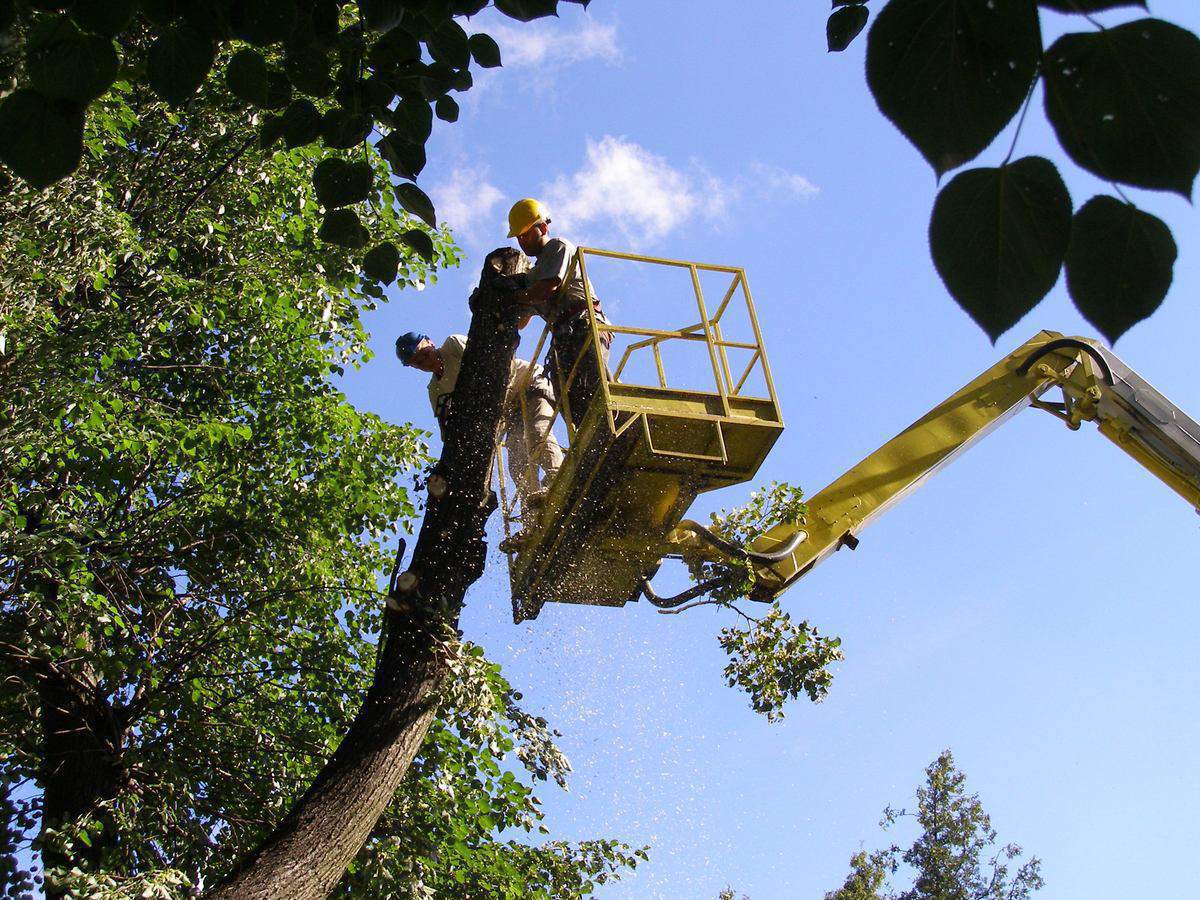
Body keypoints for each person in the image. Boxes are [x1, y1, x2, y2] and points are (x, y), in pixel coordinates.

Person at [395, 331, 564, 508]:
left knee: (537, 433)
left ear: (430, 342)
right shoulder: (436, 389)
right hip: (509, 412)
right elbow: (448, 431)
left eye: (425, 354)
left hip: (529, 385)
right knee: (517, 463)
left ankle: (558, 480)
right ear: (413, 367)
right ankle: (534, 513)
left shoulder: (453, 346)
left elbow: (494, 364)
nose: (425, 362)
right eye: (418, 362)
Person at [505, 198, 613, 431]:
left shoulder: (558, 247)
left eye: (526, 234)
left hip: (585, 327)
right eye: (519, 237)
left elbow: (548, 287)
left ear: (542, 228)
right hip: (564, 339)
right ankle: (590, 438)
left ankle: (615, 422)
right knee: (572, 404)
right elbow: (522, 321)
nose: (522, 241)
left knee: (595, 389)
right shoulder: (533, 276)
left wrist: (513, 296)